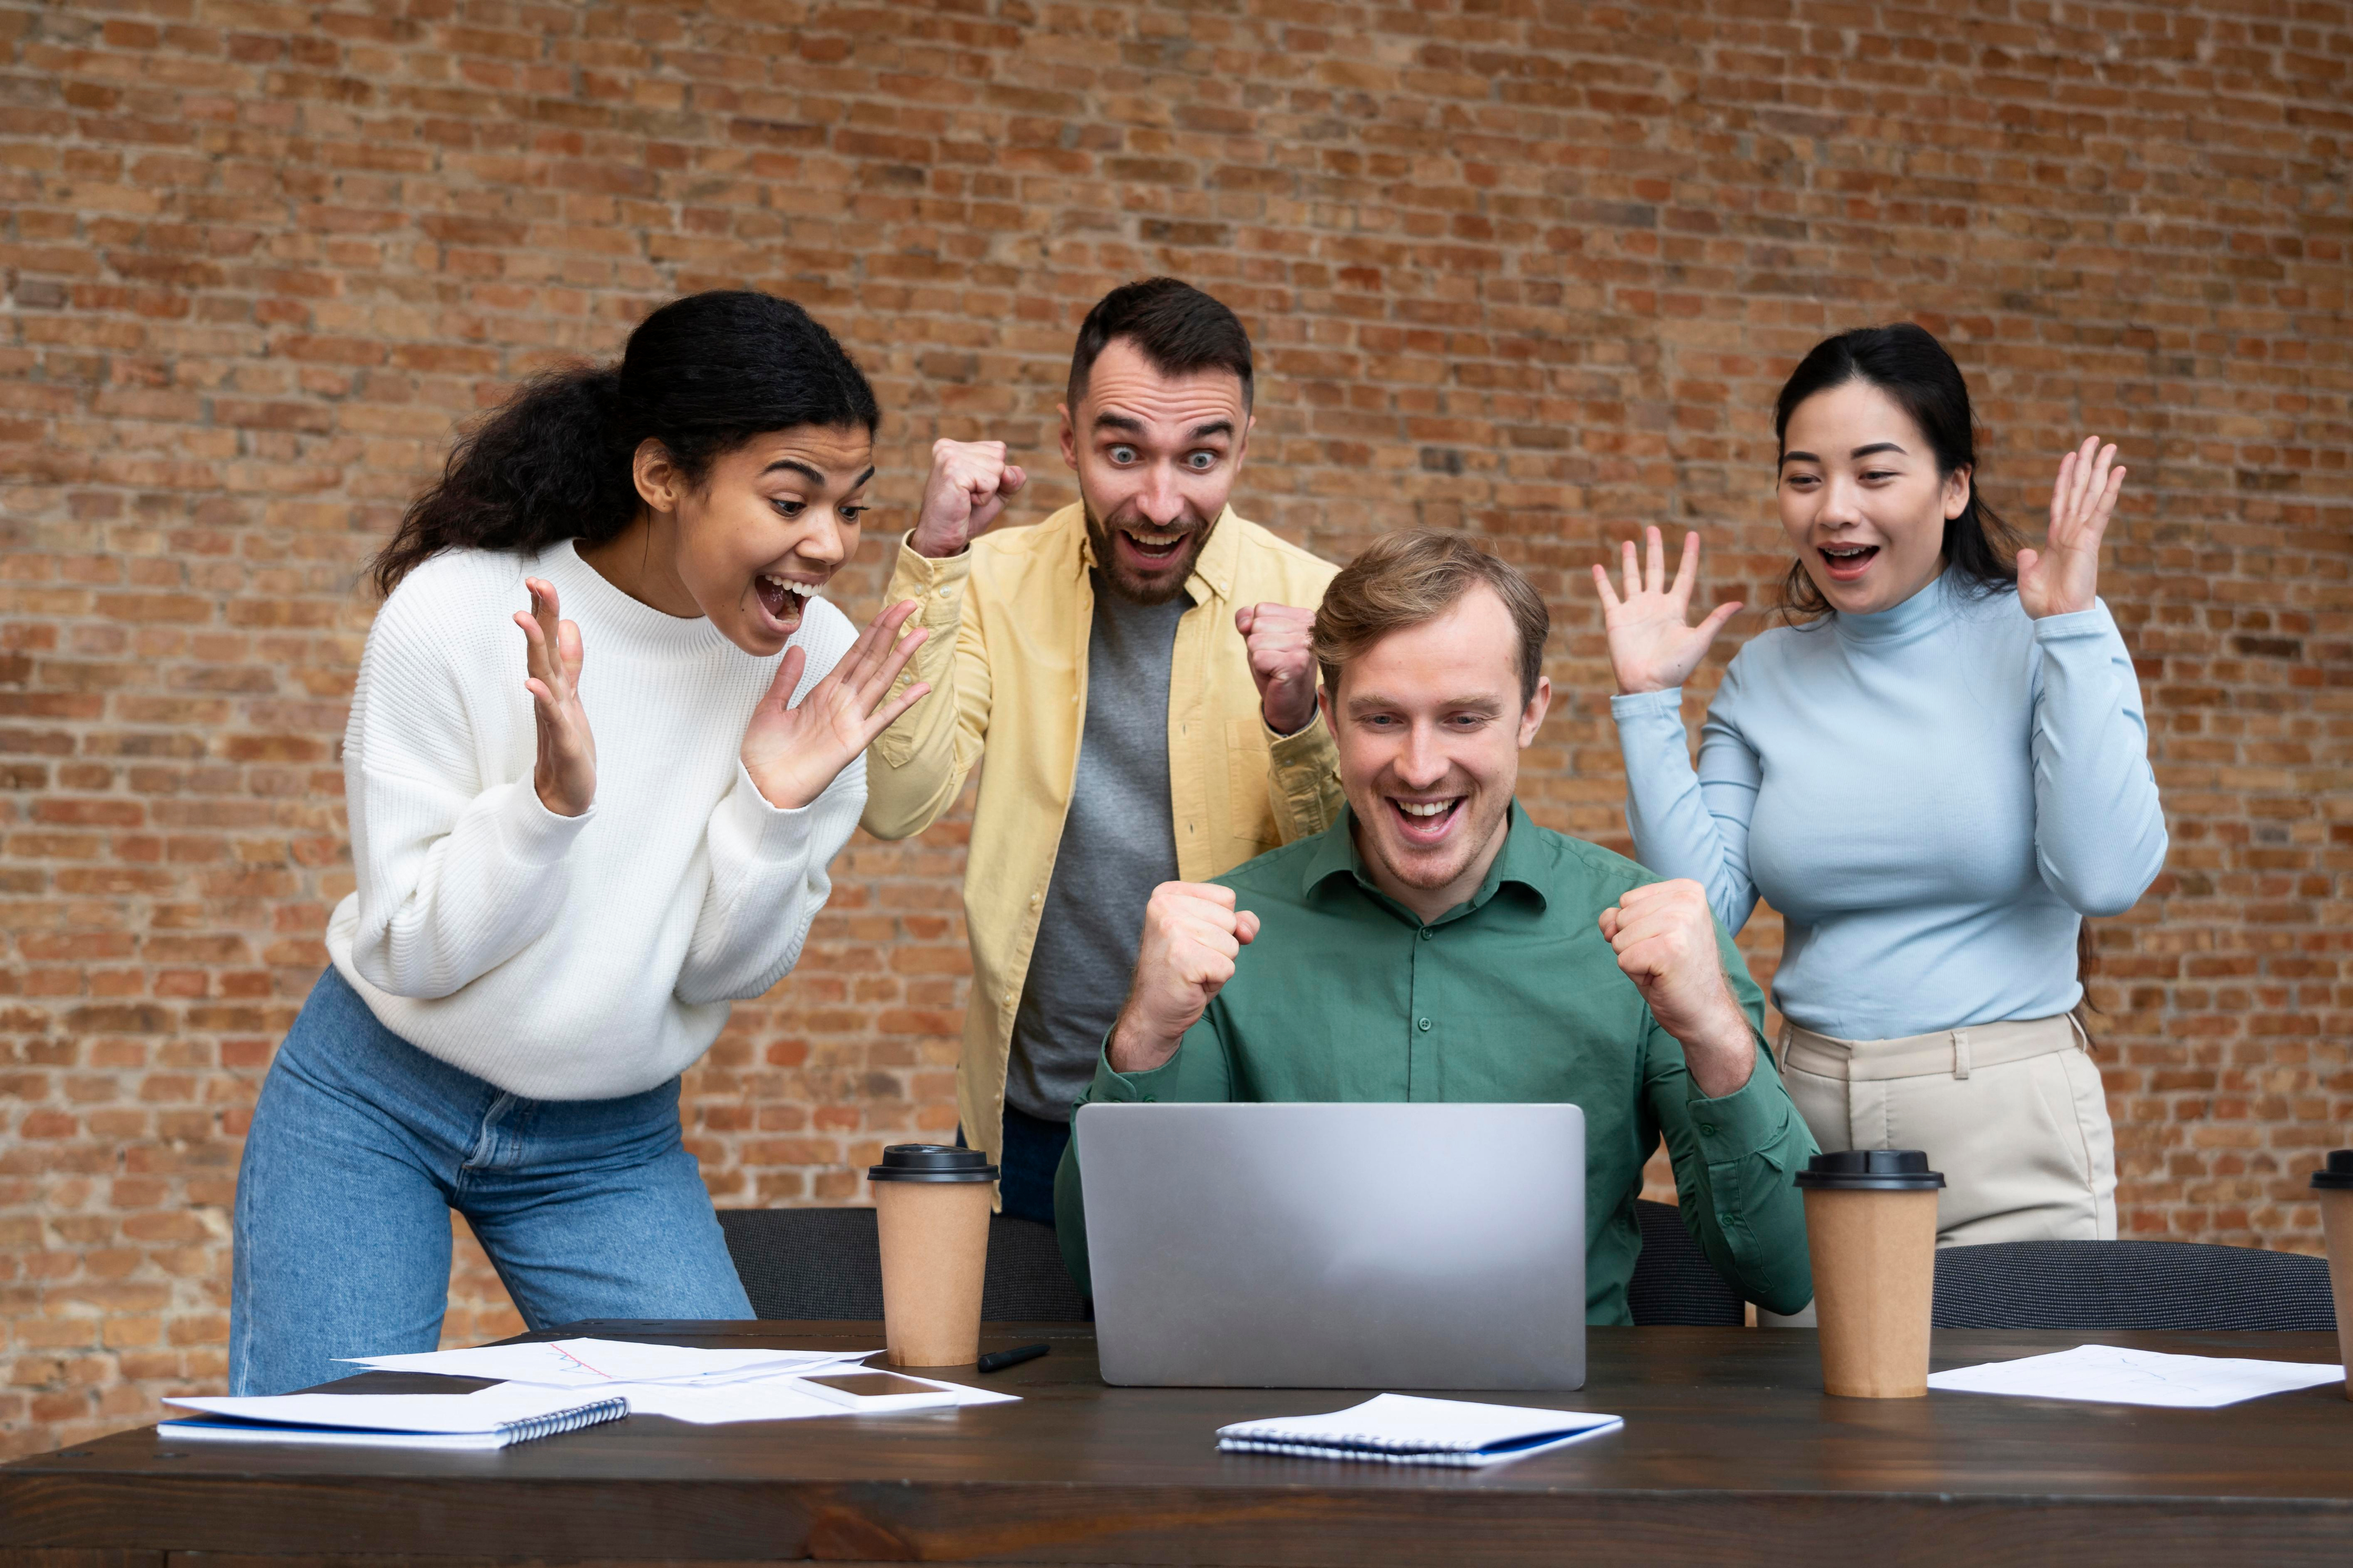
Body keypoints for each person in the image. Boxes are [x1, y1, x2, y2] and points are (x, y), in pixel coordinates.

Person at [230, 292, 930, 1395]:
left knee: (730, 1454)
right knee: (325, 1460)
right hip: (374, 1103)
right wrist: (547, 807)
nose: (831, 545)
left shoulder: (822, 671)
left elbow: (721, 972)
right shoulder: (459, 611)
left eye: (851, 507)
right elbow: (413, 950)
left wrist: (774, 803)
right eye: (791, 500)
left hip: (610, 1143)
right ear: (662, 477)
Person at [1054, 531, 1819, 1322]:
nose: (1420, 767)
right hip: (1287, 1389)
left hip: (1574, 1399)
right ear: (1330, 717)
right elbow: (1107, 1269)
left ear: (1530, 713)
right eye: (1383, 718)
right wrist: (1144, 1037)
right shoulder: (1224, 935)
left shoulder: (1655, 933)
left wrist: (1716, 1039)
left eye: (1463, 718)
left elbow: (1787, 1269)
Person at [1595, 322, 2167, 1248]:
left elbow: (2102, 877)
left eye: (1875, 473)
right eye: (1805, 477)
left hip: (2009, 1127)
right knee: (1815, 1358)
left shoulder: (2042, 635)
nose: (1835, 509)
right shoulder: (1763, 675)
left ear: (1954, 486)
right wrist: (1649, 705)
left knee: (2017, 1354)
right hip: (1809, 1124)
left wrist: (2070, 627)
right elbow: (1705, 913)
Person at [859, 278, 1344, 1225]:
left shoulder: (1321, 603)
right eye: (1124, 452)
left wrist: (1298, 726)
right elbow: (895, 798)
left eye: (1200, 457)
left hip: (1241, 1128)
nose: (1160, 502)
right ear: (1069, 438)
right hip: (1029, 1123)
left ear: (1243, 448)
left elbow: (1358, 890)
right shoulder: (988, 579)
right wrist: (934, 560)